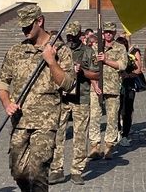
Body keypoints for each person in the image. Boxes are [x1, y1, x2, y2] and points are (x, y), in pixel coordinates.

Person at [0, 4, 73, 191]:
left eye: (28, 26)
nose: (25, 30)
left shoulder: (60, 50)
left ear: (40, 21)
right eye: (22, 27)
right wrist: (7, 103)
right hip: (19, 121)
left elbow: (68, 84)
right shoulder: (16, 51)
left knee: (38, 171)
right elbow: (2, 82)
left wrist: (51, 61)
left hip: (46, 122)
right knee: (18, 172)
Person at [52, 23, 96, 187]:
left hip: (81, 98)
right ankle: (56, 169)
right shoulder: (61, 50)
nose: (70, 39)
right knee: (58, 134)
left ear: (80, 35)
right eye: (68, 36)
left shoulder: (88, 51)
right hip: (63, 97)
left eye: (73, 36)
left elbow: (97, 75)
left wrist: (82, 72)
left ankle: (77, 170)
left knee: (80, 135)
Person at [87, 21, 127, 161]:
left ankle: (109, 146)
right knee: (94, 116)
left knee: (112, 118)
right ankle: (94, 146)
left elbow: (122, 65)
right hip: (97, 87)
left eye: (111, 32)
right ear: (102, 33)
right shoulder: (96, 47)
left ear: (114, 33)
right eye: (106, 32)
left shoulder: (120, 48)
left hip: (113, 87)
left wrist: (106, 60)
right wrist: (94, 84)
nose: (108, 34)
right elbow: (90, 68)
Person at [119, 44, 142, 147]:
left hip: (129, 85)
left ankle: (125, 134)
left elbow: (138, 69)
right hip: (117, 86)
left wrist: (128, 73)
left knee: (127, 110)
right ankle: (118, 131)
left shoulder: (132, 54)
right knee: (118, 110)